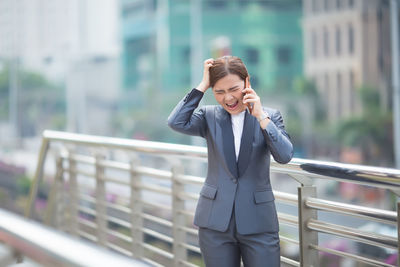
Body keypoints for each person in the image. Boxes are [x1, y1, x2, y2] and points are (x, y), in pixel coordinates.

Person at [167, 56, 293, 267]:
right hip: (215, 224)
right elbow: (176, 121)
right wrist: (202, 86)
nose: (228, 98)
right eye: (219, 92)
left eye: (233, 89)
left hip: (258, 223)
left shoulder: (270, 116)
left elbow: (285, 156)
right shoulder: (208, 117)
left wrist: (261, 116)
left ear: (247, 82)